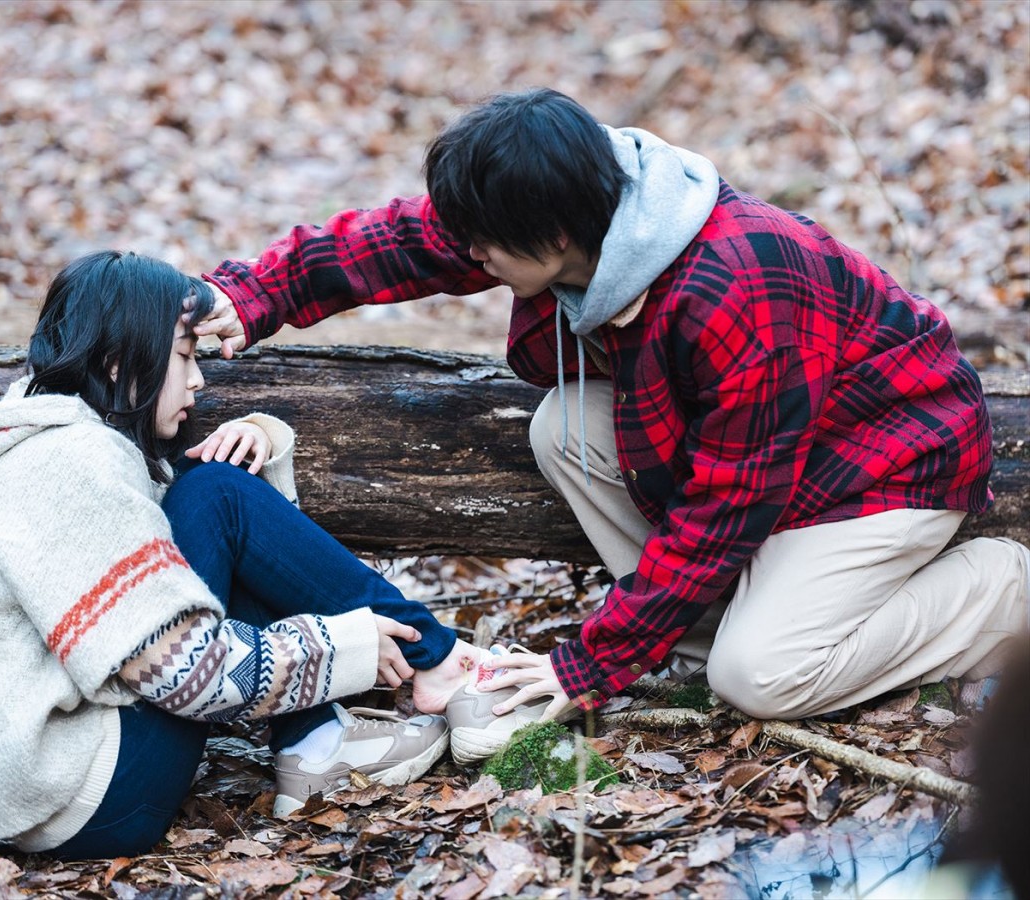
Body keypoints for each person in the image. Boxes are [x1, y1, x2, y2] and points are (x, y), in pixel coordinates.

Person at [192, 88, 1029, 759]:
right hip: (772, 450)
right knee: (564, 426)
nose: (471, 257)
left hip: (881, 461)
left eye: (484, 248)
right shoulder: (566, 203)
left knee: (760, 676)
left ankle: (998, 589)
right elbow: (403, 243)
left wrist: (587, 664)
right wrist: (251, 295)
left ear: (553, 234)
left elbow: (731, 506)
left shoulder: (739, 286)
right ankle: (687, 638)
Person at [0, 250, 483, 859]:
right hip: (79, 800)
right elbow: (185, 675)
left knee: (211, 493)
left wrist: (259, 445)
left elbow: (183, 562)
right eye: (184, 357)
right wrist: (346, 646)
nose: (197, 380)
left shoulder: (51, 445)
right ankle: (440, 661)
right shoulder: (73, 463)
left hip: (29, 794)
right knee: (216, 497)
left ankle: (319, 743)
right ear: (117, 362)